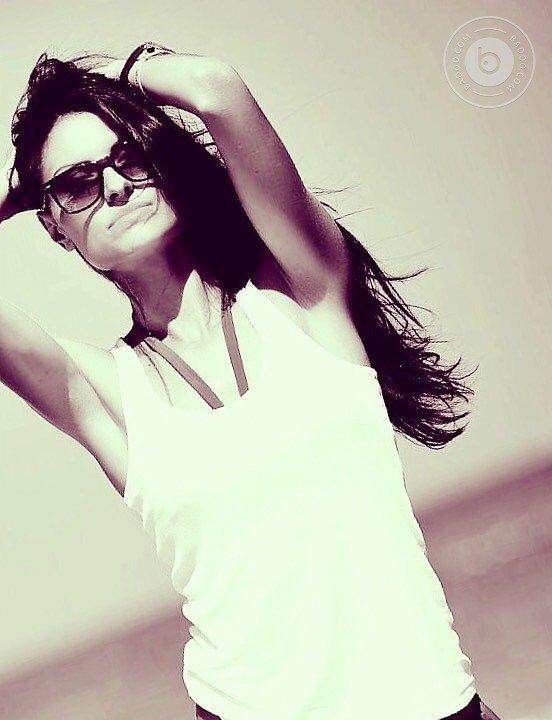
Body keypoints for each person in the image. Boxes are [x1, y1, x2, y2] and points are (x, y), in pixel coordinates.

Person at [0, 43, 501, 720]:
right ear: (54, 227)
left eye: (129, 156)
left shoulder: (304, 291)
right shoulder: (104, 392)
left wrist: (104, 85)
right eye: (76, 184)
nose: (115, 186)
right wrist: (23, 188)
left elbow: (214, 87)